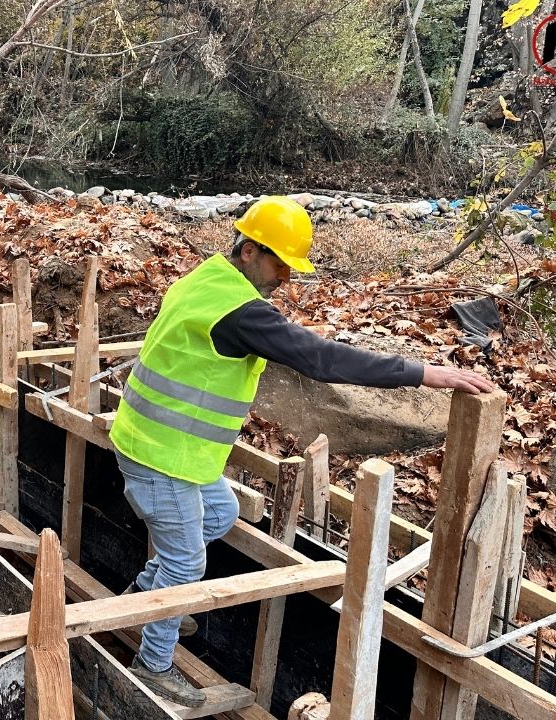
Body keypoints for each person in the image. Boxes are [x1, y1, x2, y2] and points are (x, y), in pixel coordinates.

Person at [110, 195, 495, 706]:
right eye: (280, 265)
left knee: (221, 513)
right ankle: (153, 664)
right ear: (248, 250)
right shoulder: (239, 313)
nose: (286, 279)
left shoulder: (209, 277)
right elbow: (318, 358)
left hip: (165, 446)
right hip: (164, 457)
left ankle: (145, 601)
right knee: (185, 564)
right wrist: (425, 373)